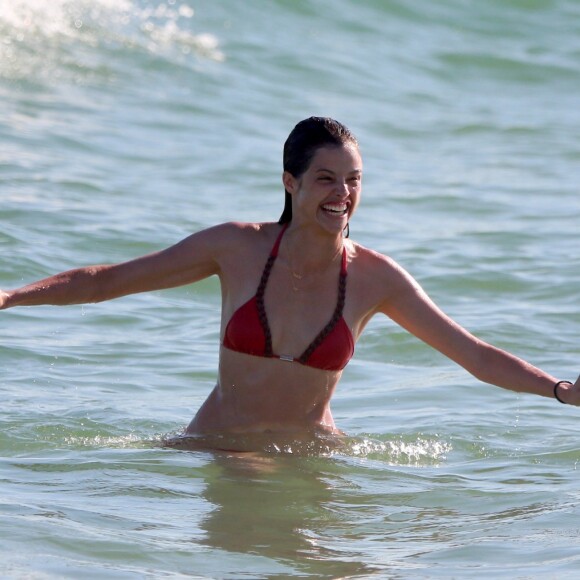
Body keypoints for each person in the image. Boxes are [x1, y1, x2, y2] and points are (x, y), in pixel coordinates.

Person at [1, 117, 578, 452]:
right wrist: (9, 297)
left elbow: (474, 355)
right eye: (326, 179)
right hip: (219, 451)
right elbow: (108, 282)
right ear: (290, 182)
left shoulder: (377, 277)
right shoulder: (236, 248)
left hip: (311, 457)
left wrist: (558, 390)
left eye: (353, 181)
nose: (342, 195)